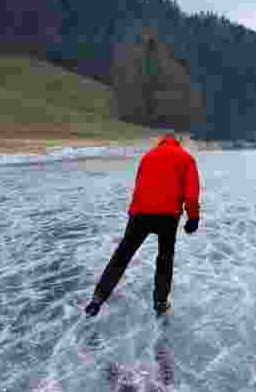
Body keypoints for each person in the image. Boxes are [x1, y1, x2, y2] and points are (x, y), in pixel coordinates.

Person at [86, 133, 201, 317]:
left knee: (122, 256)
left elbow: (139, 184)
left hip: (140, 214)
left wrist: (134, 212)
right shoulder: (186, 158)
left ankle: (98, 298)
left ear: (160, 141)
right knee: (165, 259)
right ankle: (161, 302)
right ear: (178, 143)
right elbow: (192, 193)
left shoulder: (148, 156)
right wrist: (193, 218)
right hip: (168, 216)